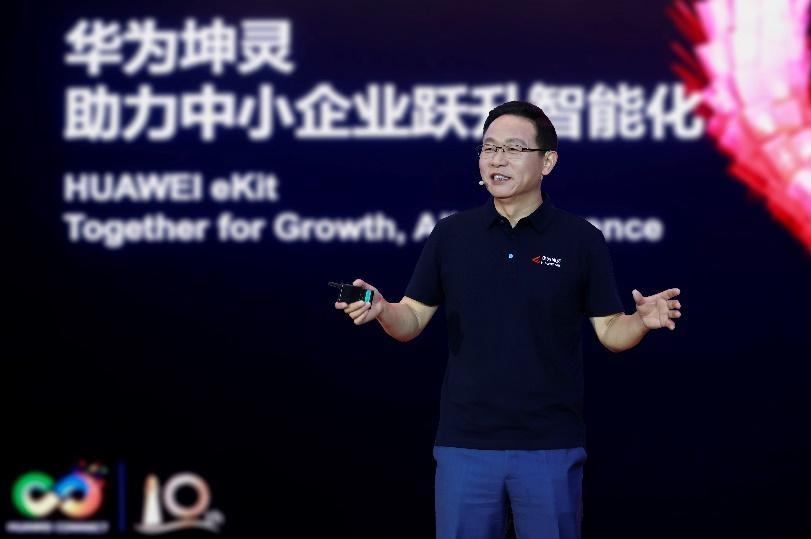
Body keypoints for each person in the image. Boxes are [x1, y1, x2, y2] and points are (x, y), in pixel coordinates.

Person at [334, 101, 682, 539]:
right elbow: (412, 320)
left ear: (547, 161)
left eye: (514, 148)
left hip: (550, 445)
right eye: (489, 148)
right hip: (465, 445)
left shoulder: (581, 239)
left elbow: (611, 331)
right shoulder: (451, 234)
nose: (497, 159)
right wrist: (384, 310)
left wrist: (641, 322)